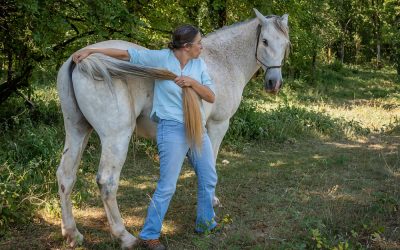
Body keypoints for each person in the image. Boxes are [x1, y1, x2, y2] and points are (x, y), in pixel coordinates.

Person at [72, 25, 218, 250]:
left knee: (209, 178)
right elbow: (127, 54)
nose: (202, 46)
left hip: (197, 129)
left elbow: (210, 96)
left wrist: (193, 83)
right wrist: (92, 51)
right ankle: (150, 235)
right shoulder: (161, 58)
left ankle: (206, 223)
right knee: (167, 186)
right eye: (199, 42)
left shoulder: (199, 65)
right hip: (171, 130)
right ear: (186, 47)